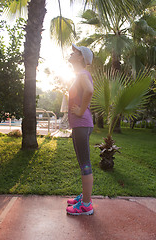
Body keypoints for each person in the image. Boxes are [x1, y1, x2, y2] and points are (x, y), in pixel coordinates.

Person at [66, 44, 94, 216]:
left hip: (82, 124)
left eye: (75, 52)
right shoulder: (79, 75)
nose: (71, 52)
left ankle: (86, 205)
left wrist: (81, 111)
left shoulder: (82, 74)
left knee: (85, 164)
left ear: (81, 58)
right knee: (82, 162)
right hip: (80, 125)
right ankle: (84, 197)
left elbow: (90, 91)